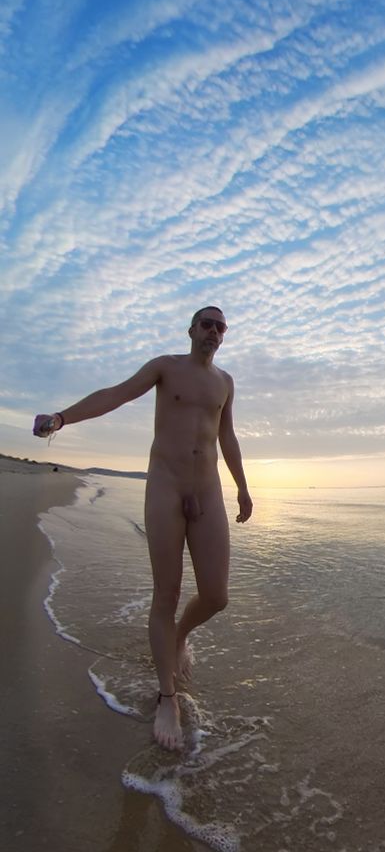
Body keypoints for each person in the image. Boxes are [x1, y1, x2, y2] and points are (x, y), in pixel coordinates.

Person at [33, 306, 253, 751]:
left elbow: (227, 437)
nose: (214, 331)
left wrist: (243, 488)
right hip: (166, 487)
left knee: (216, 596)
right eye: (207, 323)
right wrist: (62, 418)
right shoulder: (165, 368)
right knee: (166, 593)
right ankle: (167, 697)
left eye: (221, 326)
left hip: (208, 490)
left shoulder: (225, 382)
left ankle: (180, 636)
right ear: (191, 330)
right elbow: (115, 395)